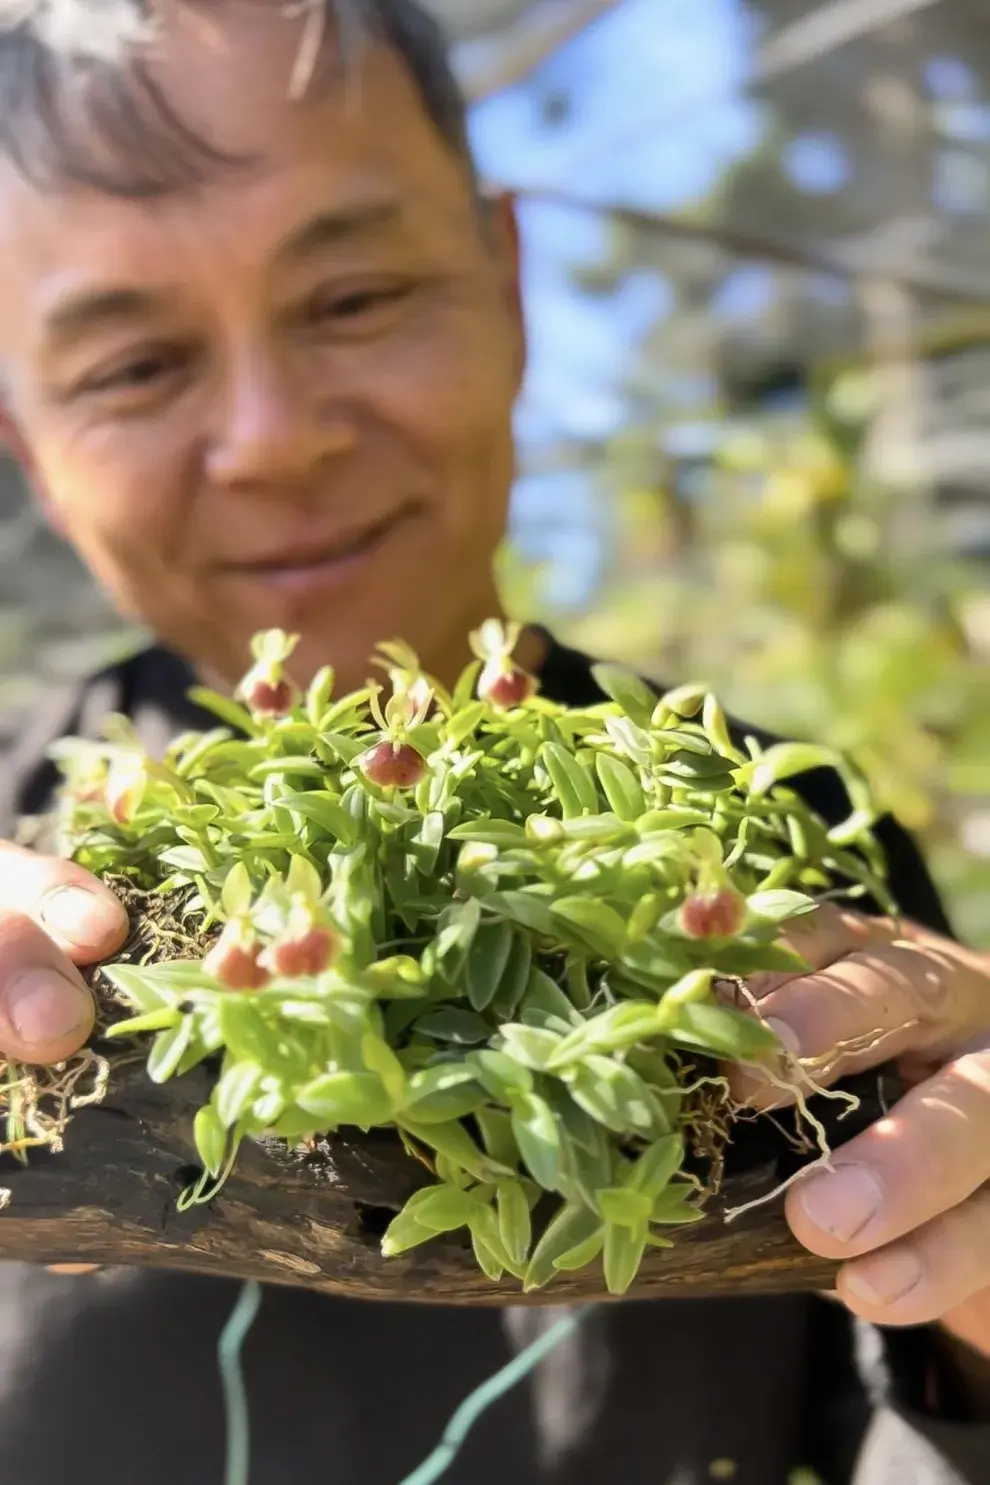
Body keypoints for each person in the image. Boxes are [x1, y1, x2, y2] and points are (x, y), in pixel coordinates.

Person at [0, 3, 987, 1482]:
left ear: (506, 278)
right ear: (28, 443)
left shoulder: (788, 851)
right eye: (133, 365)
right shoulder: (34, 843)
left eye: (353, 296)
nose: (273, 437)